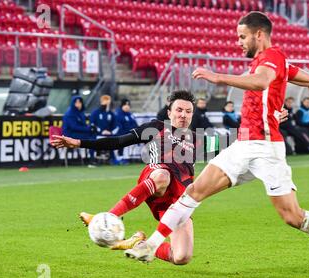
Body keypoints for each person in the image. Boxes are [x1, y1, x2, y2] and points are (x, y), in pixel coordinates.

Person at [125, 11, 309, 278]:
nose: (239, 42)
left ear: (259, 35)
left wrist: (218, 77)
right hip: (244, 145)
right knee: (193, 192)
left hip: (267, 150)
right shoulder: (267, 62)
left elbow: (261, 82)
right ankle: (151, 245)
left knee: (292, 216)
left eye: (242, 36)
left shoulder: (272, 58)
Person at [52, 90, 203, 265]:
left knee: (181, 257)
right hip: (156, 179)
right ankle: (107, 217)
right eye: (179, 110)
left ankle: (138, 242)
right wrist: (80, 143)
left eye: (188, 111)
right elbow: (118, 142)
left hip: (177, 201)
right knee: (163, 175)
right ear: (169, 113)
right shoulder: (156, 128)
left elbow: (230, 148)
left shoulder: (198, 140)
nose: (183, 115)